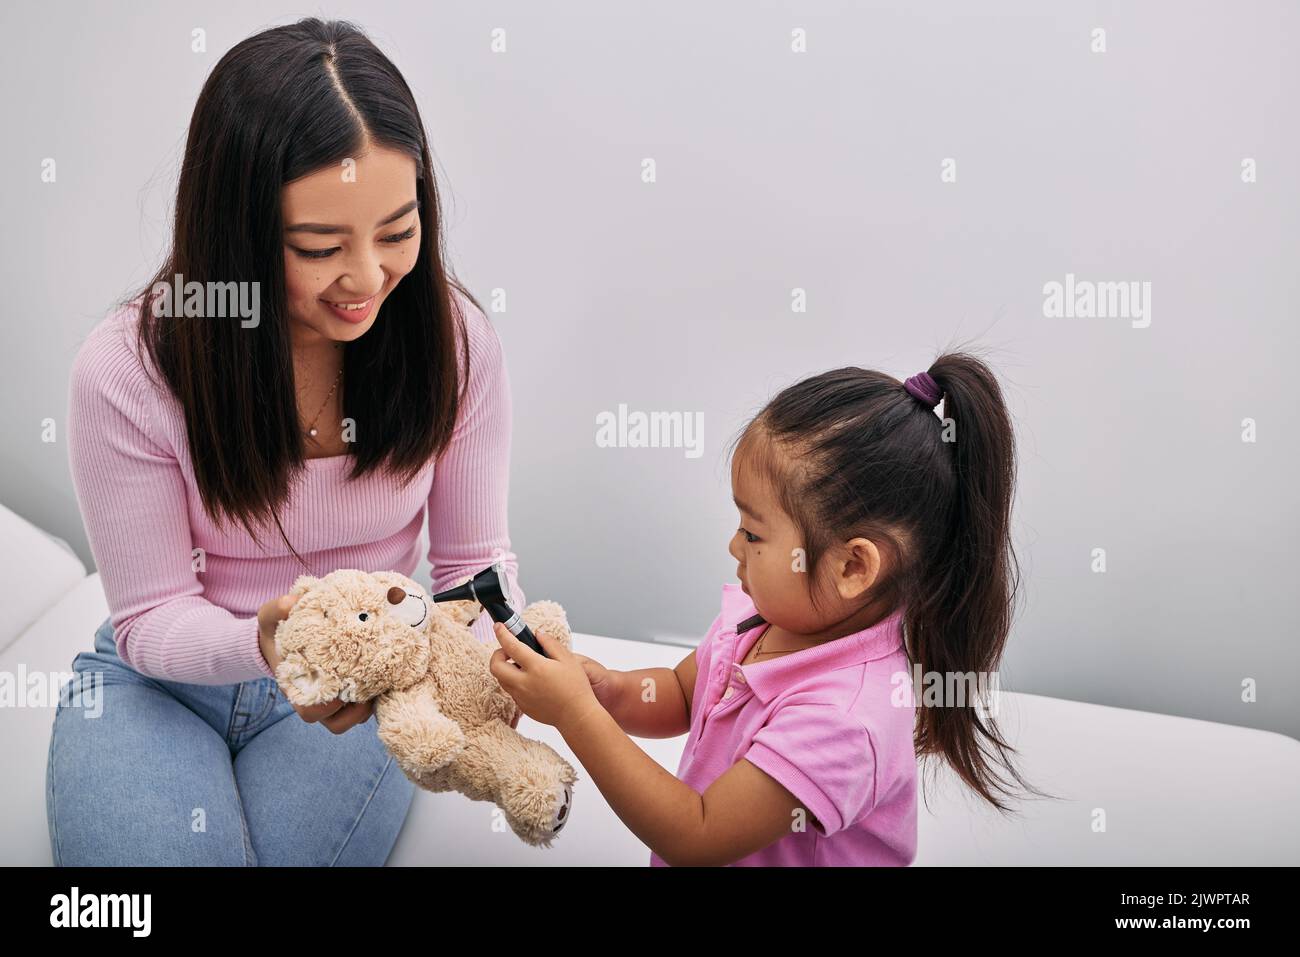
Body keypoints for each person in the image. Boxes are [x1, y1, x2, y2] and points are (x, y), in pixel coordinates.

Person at [47, 18, 524, 866]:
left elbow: (470, 568)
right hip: (161, 687)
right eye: (319, 247)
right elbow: (150, 615)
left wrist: (506, 659)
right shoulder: (128, 370)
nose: (370, 276)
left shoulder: (455, 345)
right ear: (237, 233)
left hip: (360, 683)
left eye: (398, 231)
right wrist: (264, 644)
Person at [491, 354, 1047, 865]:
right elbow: (684, 693)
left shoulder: (846, 718)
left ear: (853, 567)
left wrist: (576, 716)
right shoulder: (761, 619)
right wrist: (607, 691)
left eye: (754, 533)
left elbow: (698, 834)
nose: (735, 547)